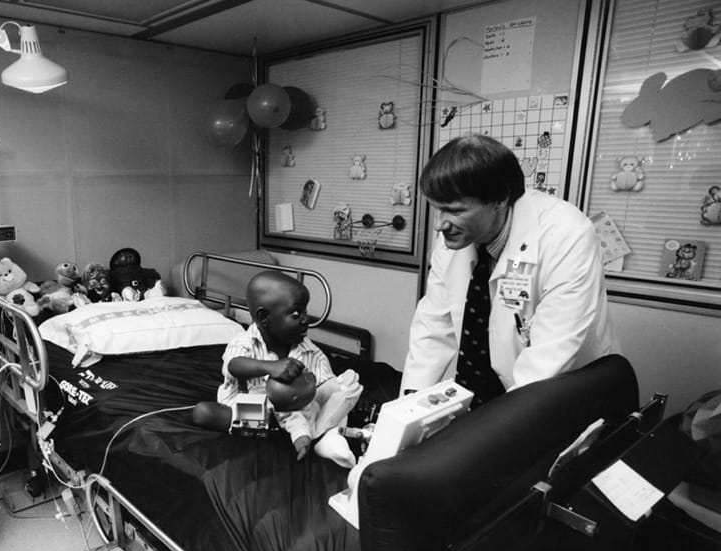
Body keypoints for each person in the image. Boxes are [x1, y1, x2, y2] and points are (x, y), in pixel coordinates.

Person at [401, 134, 619, 405]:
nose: (440, 225)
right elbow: (433, 326)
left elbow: (549, 359)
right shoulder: (452, 240)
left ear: (500, 199)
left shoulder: (565, 235)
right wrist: (408, 408)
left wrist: (491, 430)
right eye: (437, 210)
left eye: (454, 211)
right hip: (492, 391)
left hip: (562, 392)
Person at [192, 270, 361, 467]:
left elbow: (323, 389)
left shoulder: (311, 352)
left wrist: (333, 388)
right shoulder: (244, 343)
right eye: (296, 314)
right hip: (252, 410)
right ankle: (280, 427)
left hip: (297, 410)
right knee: (203, 413)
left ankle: (325, 438)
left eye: (305, 312)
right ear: (264, 318)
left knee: (338, 390)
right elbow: (235, 365)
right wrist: (269, 367)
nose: (306, 320)